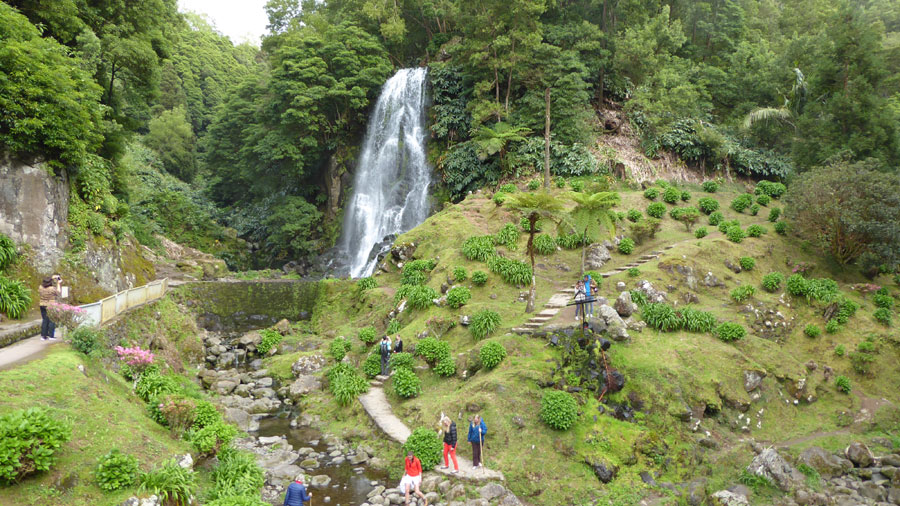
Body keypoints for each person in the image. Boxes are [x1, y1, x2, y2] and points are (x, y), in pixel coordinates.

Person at [38, 275, 62, 341]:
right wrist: (58, 283)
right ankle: (51, 335)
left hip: (42, 304)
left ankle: (43, 336)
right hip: (51, 305)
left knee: (45, 320)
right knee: (52, 320)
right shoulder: (52, 289)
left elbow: (46, 282)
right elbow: (58, 292)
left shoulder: (40, 287)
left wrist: (51, 277)